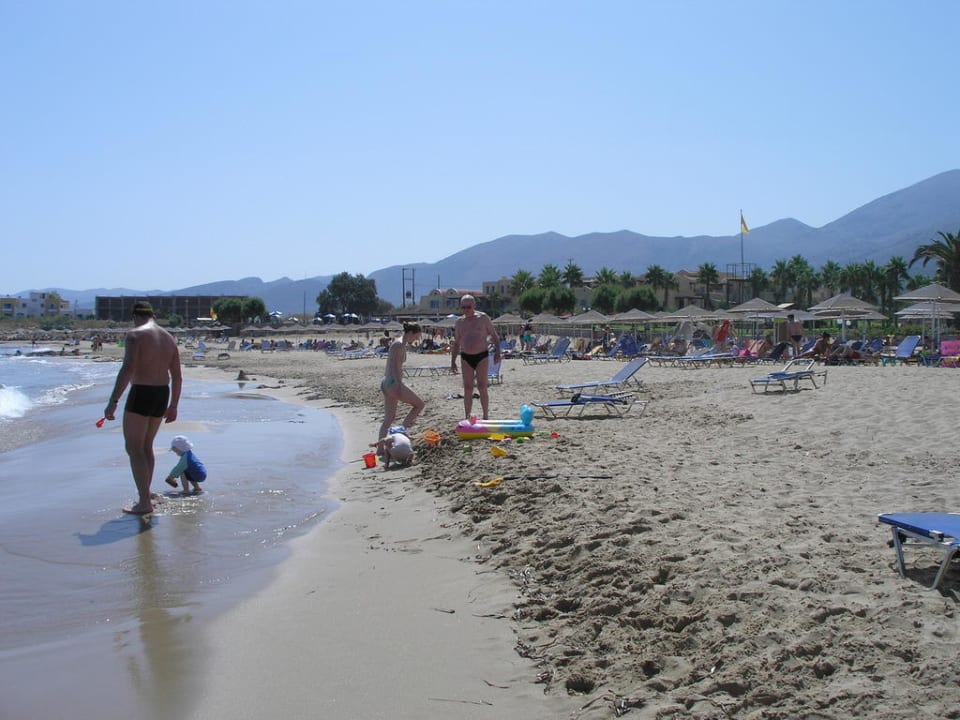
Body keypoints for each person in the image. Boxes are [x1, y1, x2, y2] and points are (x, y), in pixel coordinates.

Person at [104, 301, 182, 514]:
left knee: (134, 448)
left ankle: (145, 502)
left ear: (135, 317)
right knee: (146, 446)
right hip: (162, 394)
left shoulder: (135, 335)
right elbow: (177, 376)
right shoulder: (169, 338)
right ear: (153, 316)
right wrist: (174, 405)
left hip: (141, 392)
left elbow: (128, 369)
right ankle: (146, 495)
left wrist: (113, 401)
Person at [450, 294, 501, 420]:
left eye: (468, 307)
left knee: (482, 386)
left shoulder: (482, 318)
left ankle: (485, 416)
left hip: (482, 356)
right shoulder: (459, 322)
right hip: (466, 357)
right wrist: (453, 361)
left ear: (474, 306)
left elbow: (494, 336)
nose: (466, 310)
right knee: (468, 388)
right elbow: (456, 343)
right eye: (463, 307)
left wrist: (497, 352)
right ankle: (467, 416)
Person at [378, 322, 425, 442]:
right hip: (393, 382)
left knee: (389, 418)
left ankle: (380, 449)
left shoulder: (399, 343)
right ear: (410, 333)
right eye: (416, 336)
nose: (416, 339)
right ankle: (402, 431)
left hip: (386, 381)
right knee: (419, 405)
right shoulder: (399, 345)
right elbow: (395, 367)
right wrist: (399, 385)